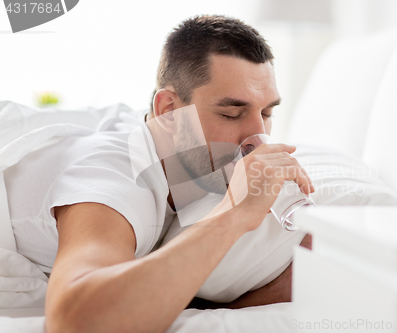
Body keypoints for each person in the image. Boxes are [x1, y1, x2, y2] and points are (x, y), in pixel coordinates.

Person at [0, 15, 313, 333]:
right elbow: (74, 321)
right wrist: (234, 213)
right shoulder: (114, 178)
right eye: (231, 113)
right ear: (169, 112)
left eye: (267, 113)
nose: (256, 136)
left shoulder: (178, 149)